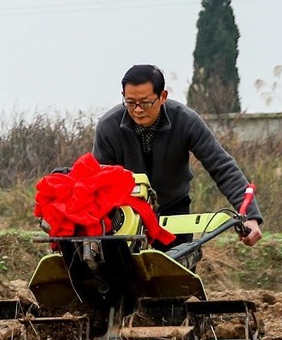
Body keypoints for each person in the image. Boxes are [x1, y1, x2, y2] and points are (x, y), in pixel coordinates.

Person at [92, 64, 263, 245]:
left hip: (174, 210)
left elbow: (221, 166)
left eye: (145, 103)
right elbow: (95, 182)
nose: (137, 110)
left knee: (178, 261)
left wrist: (250, 216)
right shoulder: (109, 127)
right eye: (130, 102)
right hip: (126, 214)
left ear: (162, 97)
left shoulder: (186, 121)